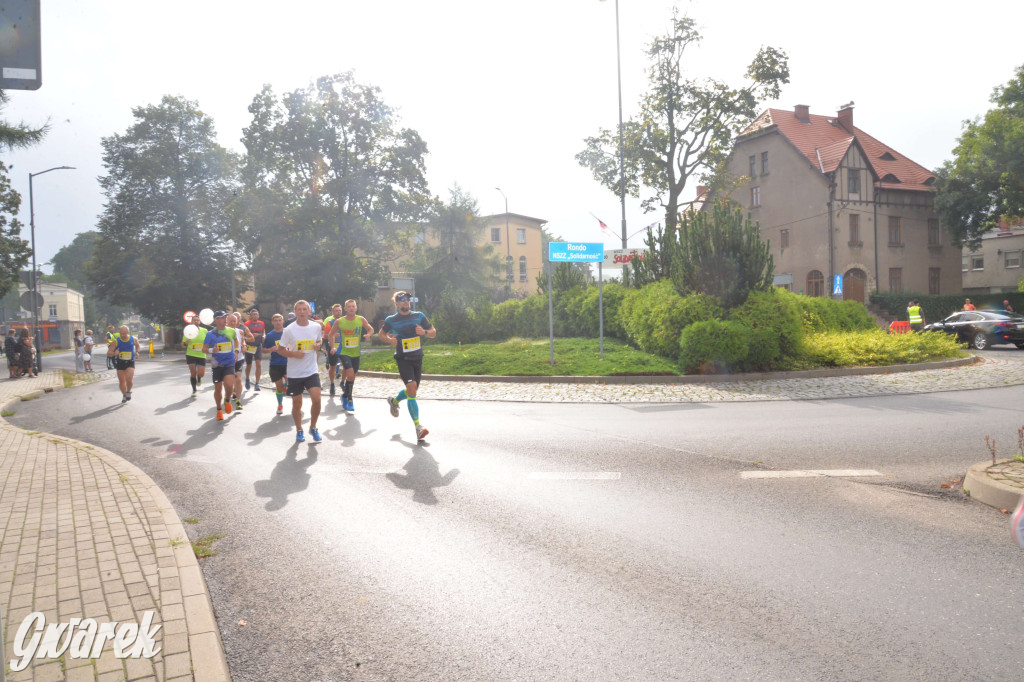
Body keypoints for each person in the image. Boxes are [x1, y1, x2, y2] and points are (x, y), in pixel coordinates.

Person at [379, 291, 436, 441]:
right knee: (411, 388)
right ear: (396, 303)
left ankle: (394, 401)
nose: (406, 301)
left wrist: (424, 332)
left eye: (408, 299)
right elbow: (381, 334)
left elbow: (433, 332)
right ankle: (418, 427)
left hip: (417, 357)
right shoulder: (391, 320)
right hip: (403, 358)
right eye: (402, 299)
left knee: (412, 390)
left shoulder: (419, 316)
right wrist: (390, 340)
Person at [278, 300, 324, 442]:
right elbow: (280, 350)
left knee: (317, 399)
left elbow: (319, 340)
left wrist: (318, 345)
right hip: (295, 373)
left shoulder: (316, 327)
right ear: (295, 312)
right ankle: (299, 429)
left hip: (311, 370)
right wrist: (294, 354)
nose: (302, 312)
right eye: (299, 309)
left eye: (305, 309)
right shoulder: (289, 330)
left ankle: (313, 427)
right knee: (297, 403)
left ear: (309, 311)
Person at [327, 299, 374, 413]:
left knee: (352, 377)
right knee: (350, 374)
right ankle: (349, 399)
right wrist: (332, 347)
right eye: (349, 306)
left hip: (356, 353)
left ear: (356, 308)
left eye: (353, 306)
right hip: (344, 352)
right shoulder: (339, 321)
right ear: (345, 309)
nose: (351, 308)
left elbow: (370, 329)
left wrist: (369, 334)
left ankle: (344, 395)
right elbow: (330, 334)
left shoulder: (360, 319)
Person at [202, 310, 238, 421]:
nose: (225, 319)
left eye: (226, 317)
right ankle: (218, 409)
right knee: (218, 388)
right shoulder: (210, 334)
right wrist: (212, 350)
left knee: (229, 385)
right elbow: (204, 349)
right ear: (216, 320)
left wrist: (236, 351)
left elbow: (236, 341)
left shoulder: (231, 331)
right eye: (223, 317)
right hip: (217, 364)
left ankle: (227, 400)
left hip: (229, 362)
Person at [262, 313, 288, 415]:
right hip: (275, 364)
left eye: (280, 320)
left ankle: (286, 385)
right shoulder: (270, 335)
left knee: (290, 382)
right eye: (276, 321)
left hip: (288, 362)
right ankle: (280, 405)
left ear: (283, 321)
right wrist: (271, 349)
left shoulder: (288, 332)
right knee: (279, 387)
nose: (278, 322)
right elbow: (263, 350)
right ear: (272, 322)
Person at [107, 325, 140, 403]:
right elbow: (108, 353)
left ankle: (128, 391)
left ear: (128, 332)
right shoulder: (116, 341)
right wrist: (114, 353)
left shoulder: (133, 339)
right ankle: (124, 395)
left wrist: (137, 352)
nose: (123, 335)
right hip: (120, 362)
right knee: (122, 381)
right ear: (119, 333)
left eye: (124, 333)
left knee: (129, 379)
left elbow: (138, 346)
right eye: (121, 333)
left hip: (130, 361)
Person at [182, 313, 208, 396]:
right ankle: (194, 390)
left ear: (200, 322)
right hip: (191, 354)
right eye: (194, 320)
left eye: (198, 320)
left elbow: (208, 341)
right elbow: (183, 345)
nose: (196, 321)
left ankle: (199, 377)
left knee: (201, 373)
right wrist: (189, 338)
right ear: (191, 322)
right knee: (193, 373)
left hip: (201, 354)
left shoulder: (204, 330)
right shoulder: (188, 331)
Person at [321, 303, 344, 397]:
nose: (338, 312)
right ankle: (332, 384)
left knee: (346, 366)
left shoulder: (345, 321)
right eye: (336, 311)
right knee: (333, 367)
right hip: (333, 346)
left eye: (339, 310)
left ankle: (343, 383)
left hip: (343, 347)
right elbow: (325, 335)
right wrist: (333, 334)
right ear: (333, 312)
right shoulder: (330, 322)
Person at [243, 308, 266, 392]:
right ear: (250, 316)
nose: (255, 316)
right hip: (249, 346)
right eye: (253, 314)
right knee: (249, 365)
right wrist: (252, 335)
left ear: (258, 315)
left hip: (258, 346)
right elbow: (244, 336)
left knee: (258, 364)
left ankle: (257, 383)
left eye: (256, 314)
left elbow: (263, 331)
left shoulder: (261, 323)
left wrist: (264, 336)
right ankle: (247, 379)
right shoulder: (246, 324)